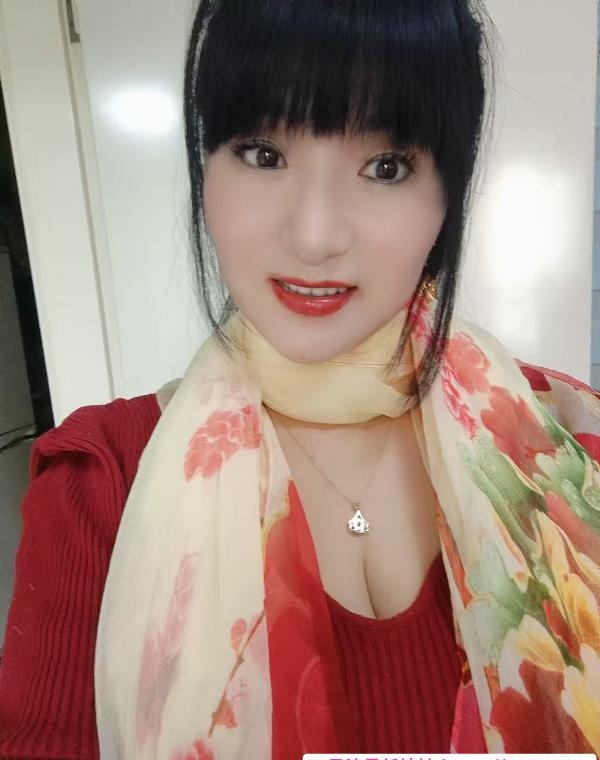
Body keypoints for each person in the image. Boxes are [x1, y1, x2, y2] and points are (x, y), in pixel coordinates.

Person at [1, 1, 599, 758]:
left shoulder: (565, 449)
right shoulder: (98, 484)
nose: (315, 235)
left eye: (386, 166)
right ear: (204, 171)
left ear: (447, 197)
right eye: (262, 153)